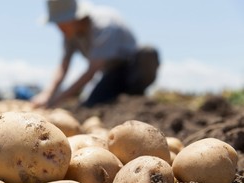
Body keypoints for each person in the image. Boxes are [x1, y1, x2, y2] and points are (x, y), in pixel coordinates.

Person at [32, 0, 160, 108]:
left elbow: (91, 71)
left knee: (148, 53)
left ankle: (136, 95)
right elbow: (63, 66)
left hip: (131, 66)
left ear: (74, 18)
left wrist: (58, 99)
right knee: (92, 104)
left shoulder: (104, 24)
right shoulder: (70, 35)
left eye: (62, 24)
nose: (59, 29)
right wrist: (47, 94)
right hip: (110, 73)